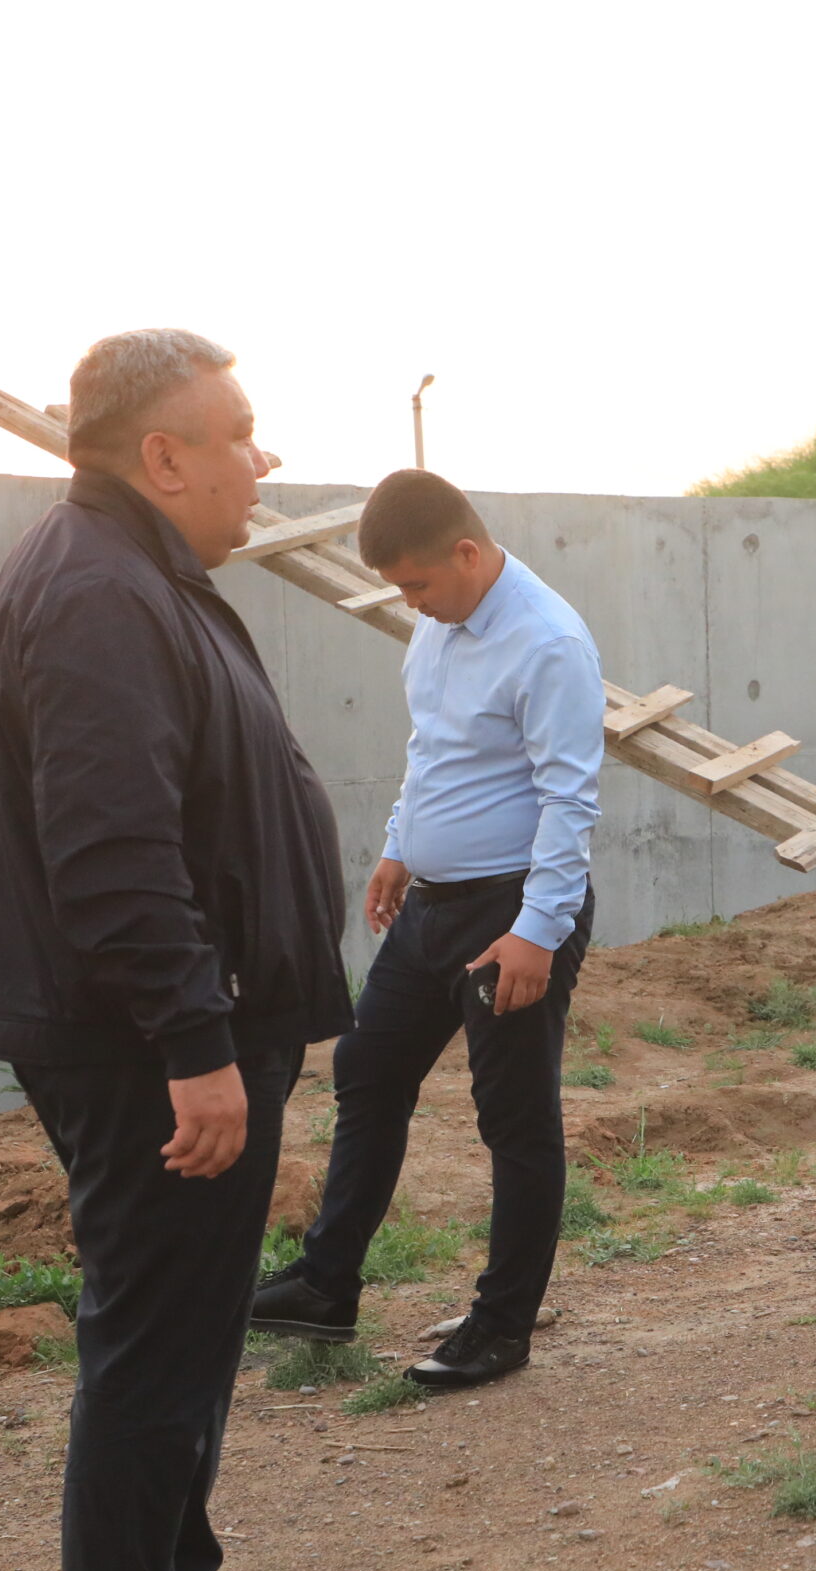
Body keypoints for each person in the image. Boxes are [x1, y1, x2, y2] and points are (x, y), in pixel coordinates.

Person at [0, 330, 350, 1571]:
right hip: (148, 1048)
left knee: (185, 1337)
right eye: (238, 433)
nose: (264, 457)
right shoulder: (96, 592)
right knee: (151, 1350)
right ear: (163, 456)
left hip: (188, 1029)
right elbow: (113, 850)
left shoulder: (134, 574)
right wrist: (195, 1043)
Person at [249, 468, 601, 1391]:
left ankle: (503, 1325)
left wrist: (537, 931)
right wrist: (401, 845)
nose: (410, 602)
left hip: (512, 912)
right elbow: (433, 746)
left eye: (417, 583)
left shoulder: (548, 642)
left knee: (514, 1117)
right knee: (367, 1067)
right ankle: (326, 1284)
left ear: (467, 553)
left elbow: (570, 798)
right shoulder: (440, 624)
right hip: (434, 906)